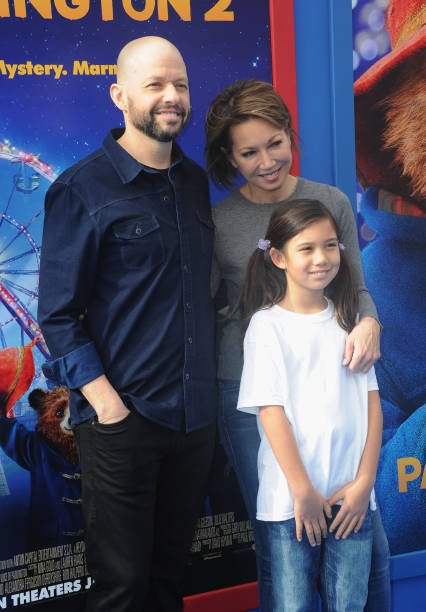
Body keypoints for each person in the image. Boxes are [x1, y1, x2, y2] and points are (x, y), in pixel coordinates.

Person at [37, 36, 217, 612]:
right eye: (155, 85)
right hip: (123, 425)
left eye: (181, 85)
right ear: (119, 95)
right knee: (122, 591)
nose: (172, 97)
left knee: (171, 581)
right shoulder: (80, 188)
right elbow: (58, 315)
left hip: (192, 422)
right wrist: (109, 407)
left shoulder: (192, 181)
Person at [205, 79, 390, 610]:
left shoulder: (328, 200)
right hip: (250, 394)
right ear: (230, 156)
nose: (266, 161)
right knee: (283, 539)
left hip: (335, 386)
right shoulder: (218, 222)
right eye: (249, 152)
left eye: (275, 143)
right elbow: (211, 300)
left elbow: (355, 286)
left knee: (365, 535)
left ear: (290, 136)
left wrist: (370, 324)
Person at [237, 198, 384, 610]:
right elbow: (271, 413)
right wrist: (302, 492)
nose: (322, 258)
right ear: (279, 257)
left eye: (331, 245)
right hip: (292, 506)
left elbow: (372, 406)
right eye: (307, 249)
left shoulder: (349, 321)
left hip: (351, 501)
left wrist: (364, 484)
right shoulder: (266, 327)